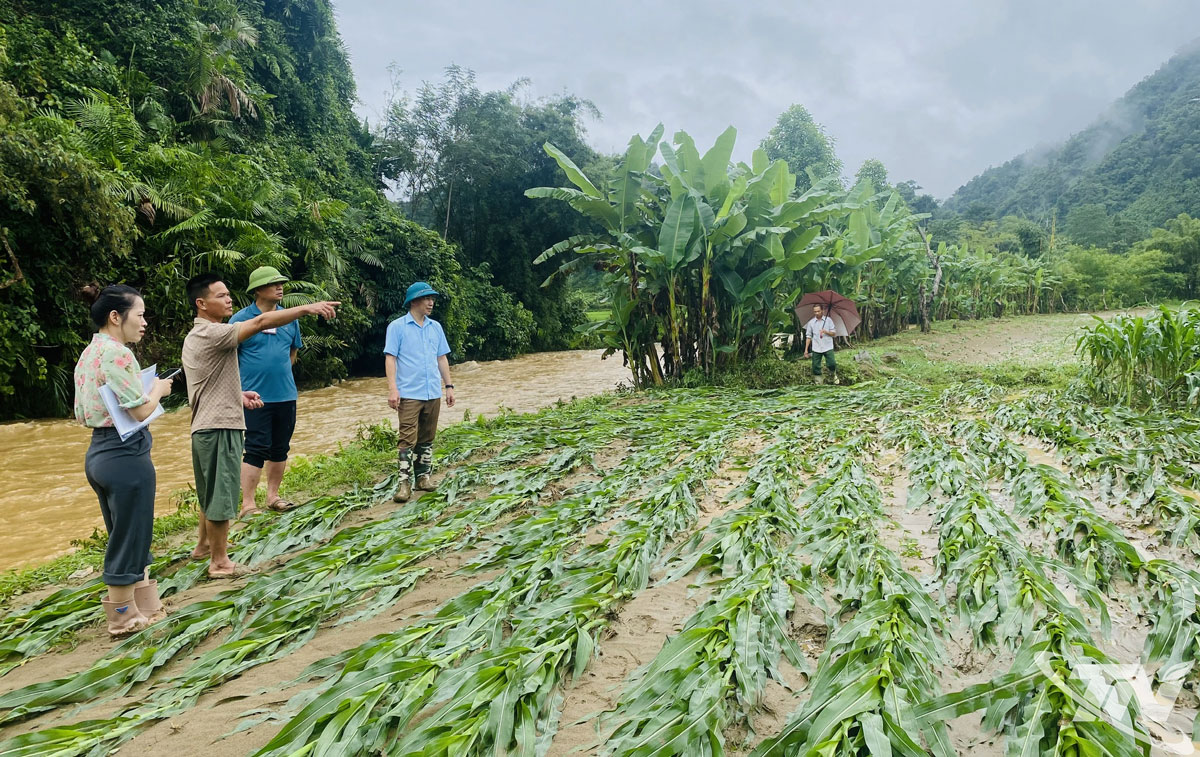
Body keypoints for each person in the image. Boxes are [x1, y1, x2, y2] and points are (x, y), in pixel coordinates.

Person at [182, 272, 339, 578]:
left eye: (229, 294)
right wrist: (308, 308)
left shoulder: (200, 335)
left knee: (210, 489)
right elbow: (260, 323)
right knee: (222, 494)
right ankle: (220, 562)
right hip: (218, 426)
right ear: (201, 304)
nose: (228, 299)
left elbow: (205, 381)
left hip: (210, 421)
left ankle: (202, 548)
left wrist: (238, 395)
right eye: (221, 296)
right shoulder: (213, 332)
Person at [73, 285, 174, 637]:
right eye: (140, 314)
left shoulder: (89, 352)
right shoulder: (118, 353)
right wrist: (159, 389)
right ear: (116, 317)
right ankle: (122, 619)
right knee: (130, 538)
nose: (145, 322)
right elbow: (141, 408)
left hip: (99, 453)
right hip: (124, 454)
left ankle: (146, 607)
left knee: (130, 532)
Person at [229, 266, 304, 517]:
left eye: (281, 283)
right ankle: (248, 504)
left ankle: (273, 496)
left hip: (286, 395)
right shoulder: (241, 319)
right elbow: (229, 358)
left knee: (280, 447)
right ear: (258, 290)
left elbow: (293, 352)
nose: (280, 287)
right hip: (253, 398)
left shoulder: (289, 318)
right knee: (255, 447)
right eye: (274, 284)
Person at [383, 281, 455, 503]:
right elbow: (390, 358)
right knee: (407, 438)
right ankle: (404, 483)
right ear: (414, 301)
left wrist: (449, 386)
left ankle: (423, 478)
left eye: (432, 299)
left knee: (427, 437)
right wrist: (393, 389)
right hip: (409, 393)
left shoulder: (436, 327)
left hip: (432, 391)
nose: (431, 302)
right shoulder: (397, 327)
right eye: (426, 298)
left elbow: (441, 358)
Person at [802, 303, 838, 383]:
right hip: (816, 347)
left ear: (822, 311)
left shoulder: (828, 320)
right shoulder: (811, 323)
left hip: (827, 346)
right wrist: (806, 350)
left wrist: (826, 331)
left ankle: (833, 375)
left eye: (818, 311)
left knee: (831, 363)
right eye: (815, 312)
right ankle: (819, 382)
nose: (817, 313)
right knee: (815, 366)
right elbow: (808, 336)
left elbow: (834, 333)